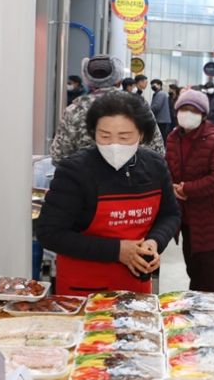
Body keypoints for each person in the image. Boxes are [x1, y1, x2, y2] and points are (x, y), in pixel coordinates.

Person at [36, 92, 181, 295]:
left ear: (141, 134)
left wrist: (154, 241)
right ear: (93, 133)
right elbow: (49, 233)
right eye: (104, 136)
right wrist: (118, 251)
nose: (114, 144)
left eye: (124, 137)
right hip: (83, 290)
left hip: (135, 290)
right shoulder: (75, 171)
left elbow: (170, 215)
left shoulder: (155, 166)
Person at [165, 90, 214, 292]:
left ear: (203, 114)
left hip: (210, 217)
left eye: (193, 110)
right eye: (183, 109)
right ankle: (195, 307)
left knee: (209, 274)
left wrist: (188, 189)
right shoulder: (173, 137)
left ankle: (210, 315)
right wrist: (171, 185)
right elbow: (168, 167)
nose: (187, 114)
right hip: (186, 216)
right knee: (193, 267)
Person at [49, 55, 165, 165]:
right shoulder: (137, 104)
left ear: (88, 81)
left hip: (85, 182)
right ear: (119, 80)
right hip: (132, 181)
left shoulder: (75, 109)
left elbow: (58, 157)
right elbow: (157, 150)